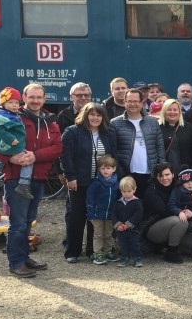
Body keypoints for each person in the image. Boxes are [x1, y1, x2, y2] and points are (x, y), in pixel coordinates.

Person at [0, 83, 61, 279]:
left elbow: (57, 147)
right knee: (17, 223)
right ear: (24, 98)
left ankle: (24, 257)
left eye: (39, 97)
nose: (35, 101)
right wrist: (9, 158)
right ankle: (16, 263)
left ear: (44, 99)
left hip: (39, 177)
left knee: (28, 221)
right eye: (31, 97)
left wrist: (35, 155)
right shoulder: (11, 116)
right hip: (16, 177)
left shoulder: (50, 121)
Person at [60, 101, 118, 263]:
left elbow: (114, 156)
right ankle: (73, 251)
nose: (95, 117)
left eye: (99, 115)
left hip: (101, 182)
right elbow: (65, 156)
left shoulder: (109, 133)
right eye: (92, 114)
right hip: (79, 181)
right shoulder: (72, 132)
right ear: (85, 115)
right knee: (77, 216)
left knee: (97, 217)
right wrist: (70, 177)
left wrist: (113, 177)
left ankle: (94, 250)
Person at [140, 163, 192, 262]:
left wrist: (191, 212)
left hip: (174, 225)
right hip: (153, 229)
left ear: (173, 174)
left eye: (167, 174)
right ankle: (171, 252)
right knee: (180, 220)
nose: (164, 178)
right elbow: (166, 212)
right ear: (156, 176)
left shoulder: (178, 187)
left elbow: (190, 203)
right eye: (161, 175)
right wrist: (183, 213)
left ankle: (167, 245)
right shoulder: (151, 191)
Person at [110, 88, 165, 197]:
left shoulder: (153, 122)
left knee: (148, 206)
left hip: (150, 174)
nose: (132, 104)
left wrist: (160, 171)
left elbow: (160, 148)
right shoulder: (115, 123)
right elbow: (113, 151)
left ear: (141, 103)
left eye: (136, 101)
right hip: (127, 175)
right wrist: (121, 173)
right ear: (124, 102)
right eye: (129, 101)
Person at [0, 87, 35, 199]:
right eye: (11, 102)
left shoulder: (12, 114)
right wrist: (10, 139)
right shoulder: (2, 115)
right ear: (3, 103)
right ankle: (23, 185)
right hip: (11, 145)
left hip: (9, 145)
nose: (14, 105)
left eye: (17, 103)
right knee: (28, 161)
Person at [86, 154, 119, 265]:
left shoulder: (116, 183)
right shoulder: (96, 183)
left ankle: (108, 251)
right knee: (98, 235)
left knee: (108, 234)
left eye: (108, 168)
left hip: (110, 214)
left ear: (114, 169)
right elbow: (90, 199)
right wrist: (90, 214)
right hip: (97, 214)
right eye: (103, 168)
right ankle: (98, 253)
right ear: (99, 169)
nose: (105, 170)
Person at [158, 98, 192, 174]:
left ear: (179, 112)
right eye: (169, 109)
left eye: (175, 110)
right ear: (164, 111)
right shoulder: (157, 127)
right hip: (164, 173)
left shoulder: (188, 127)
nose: (172, 112)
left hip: (185, 170)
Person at [112, 176, 144, 267]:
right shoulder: (118, 202)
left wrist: (128, 224)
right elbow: (114, 214)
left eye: (129, 191)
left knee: (135, 244)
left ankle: (137, 259)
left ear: (134, 189)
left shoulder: (137, 202)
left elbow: (138, 215)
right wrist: (117, 224)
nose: (126, 194)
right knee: (123, 245)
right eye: (124, 192)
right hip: (121, 229)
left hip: (134, 229)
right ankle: (124, 258)